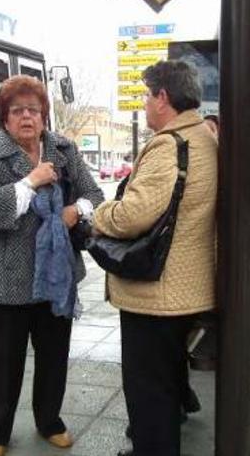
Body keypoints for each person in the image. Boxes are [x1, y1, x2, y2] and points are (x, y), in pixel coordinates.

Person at [0, 75, 103, 456]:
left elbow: (94, 191)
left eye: (34, 110)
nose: (27, 117)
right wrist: (30, 181)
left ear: (44, 116)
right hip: (5, 279)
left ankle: (49, 421)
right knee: (3, 363)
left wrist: (77, 210)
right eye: (17, 111)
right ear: (5, 119)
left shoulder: (63, 149)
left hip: (56, 274)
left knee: (54, 357)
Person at [93, 60, 217, 456]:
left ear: (163, 98)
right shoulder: (205, 135)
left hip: (157, 294)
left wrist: (96, 216)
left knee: (148, 389)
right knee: (165, 383)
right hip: (185, 287)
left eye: (148, 96)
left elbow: (133, 214)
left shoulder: (170, 143)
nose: (145, 105)